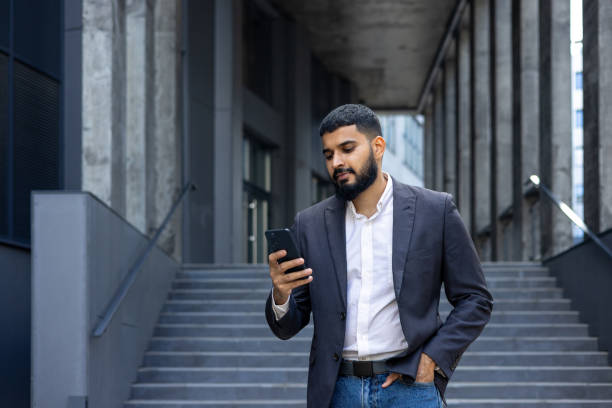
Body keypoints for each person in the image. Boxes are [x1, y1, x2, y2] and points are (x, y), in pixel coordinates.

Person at [265, 104, 493, 408]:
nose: (337, 162)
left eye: (347, 149)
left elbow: (476, 299)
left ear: (378, 147)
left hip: (410, 387)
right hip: (338, 391)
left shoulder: (434, 211)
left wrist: (432, 359)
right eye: (329, 154)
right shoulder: (310, 224)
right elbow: (290, 324)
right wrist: (281, 295)